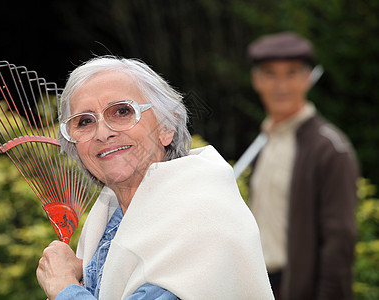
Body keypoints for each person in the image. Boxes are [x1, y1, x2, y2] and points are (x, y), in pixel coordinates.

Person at [36, 56, 274, 299]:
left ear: (166, 127)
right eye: (84, 121)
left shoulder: (199, 216)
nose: (103, 133)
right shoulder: (108, 221)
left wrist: (64, 288)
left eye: (122, 111)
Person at [247, 32, 359, 299]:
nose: (281, 85)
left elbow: (339, 241)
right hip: (261, 287)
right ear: (257, 80)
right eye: (271, 74)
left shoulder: (330, 148)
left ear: (308, 78)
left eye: (291, 73)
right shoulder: (266, 142)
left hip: (298, 289)